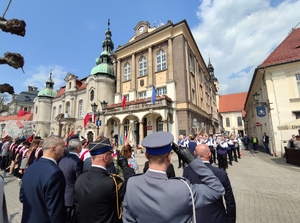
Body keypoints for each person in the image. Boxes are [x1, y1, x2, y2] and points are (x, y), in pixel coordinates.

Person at [122, 131, 224, 223]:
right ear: (169, 157)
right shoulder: (183, 188)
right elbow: (217, 189)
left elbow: (128, 219)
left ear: (146, 155)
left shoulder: (132, 184)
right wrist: (192, 161)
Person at [74, 138, 134, 223]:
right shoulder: (112, 182)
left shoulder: (80, 179)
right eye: (111, 154)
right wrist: (125, 167)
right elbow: (131, 190)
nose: (113, 157)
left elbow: (78, 210)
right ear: (105, 157)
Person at [183, 144, 236, 223]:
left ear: (194, 153)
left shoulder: (187, 171)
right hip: (218, 217)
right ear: (210, 154)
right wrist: (231, 220)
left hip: (197, 217)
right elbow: (229, 200)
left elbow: (185, 196)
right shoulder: (221, 173)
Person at [19, 135, 67, 223]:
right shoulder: (55, 173)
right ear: (53, 149)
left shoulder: (31, 167)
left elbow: (22, 197)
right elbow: (55, 211)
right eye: (63, 146)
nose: (64, 149)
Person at [58, 139, 83, 223]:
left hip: (62, 196)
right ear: (78, 148)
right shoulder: (78, 162)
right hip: (72, 198)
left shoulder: (62, 159)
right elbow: (79, 181)